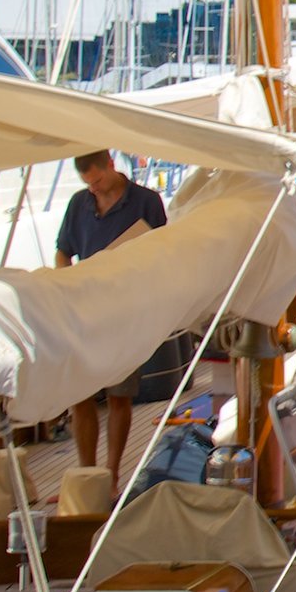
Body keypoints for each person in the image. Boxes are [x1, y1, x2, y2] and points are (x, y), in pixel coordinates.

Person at [56, 150, 168, 481]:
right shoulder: (79, 204)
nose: (94, 189)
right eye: (87, 184)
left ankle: (113, 473)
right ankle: (87, 473)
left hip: (125, 311)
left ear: (110, 164)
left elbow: (162, 251)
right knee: (81, 396)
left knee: (120, 395)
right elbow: (64, 250)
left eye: (98, 181)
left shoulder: (147, 201)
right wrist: (65, 281)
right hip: (86, 311)